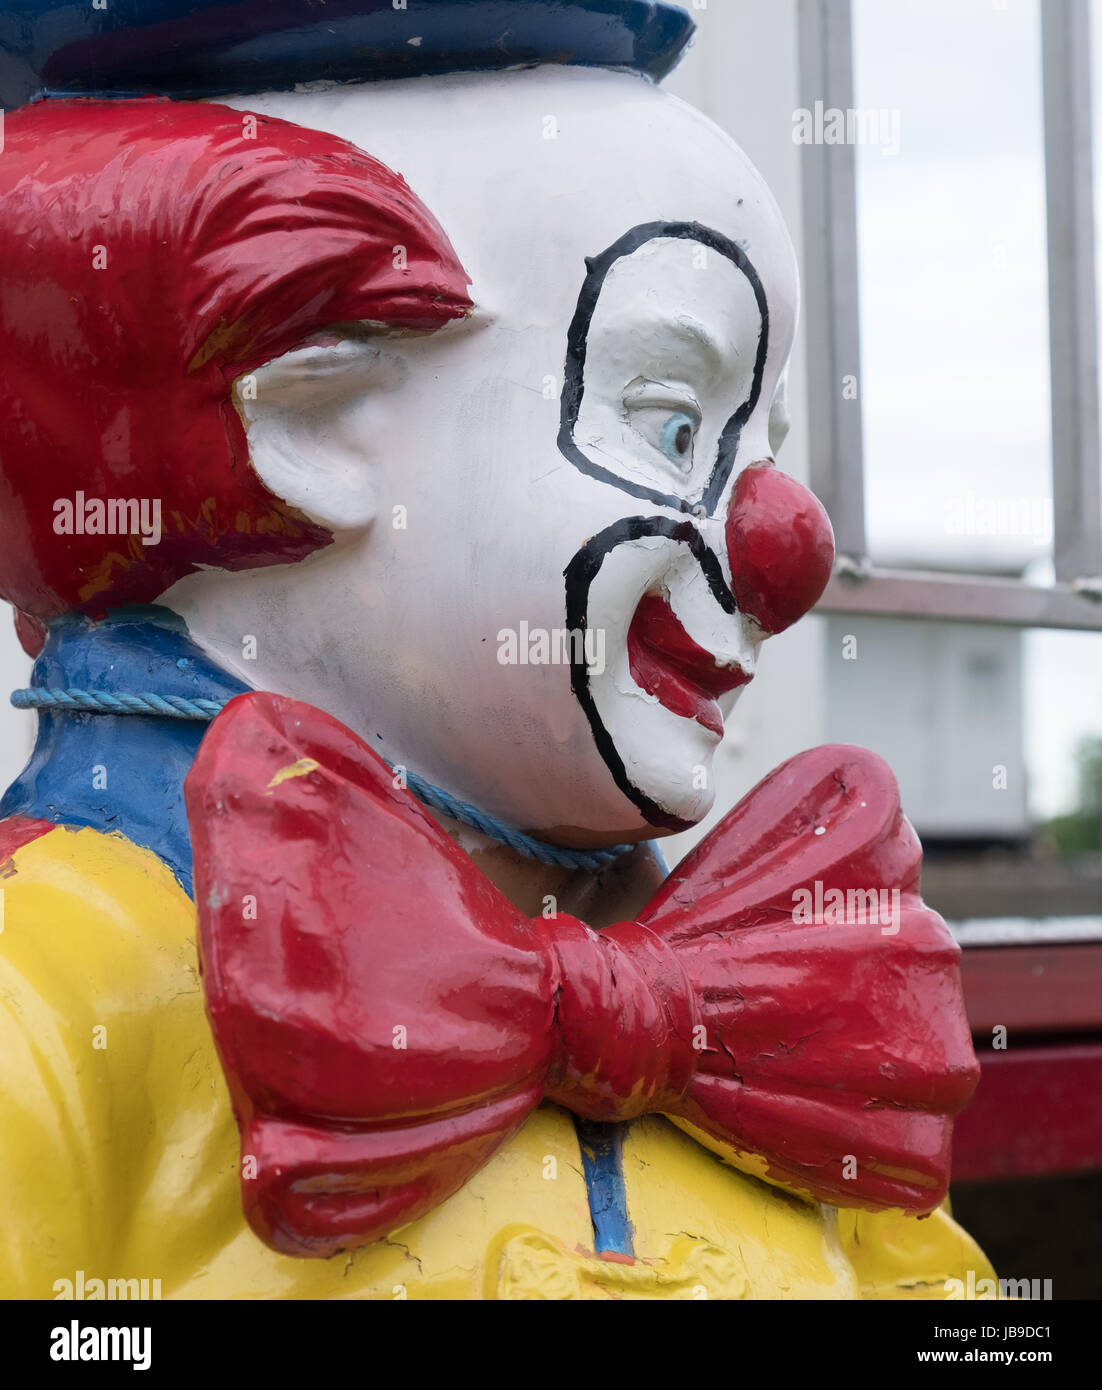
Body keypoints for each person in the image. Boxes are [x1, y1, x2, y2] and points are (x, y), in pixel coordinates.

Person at [0, 0, 992, 1299]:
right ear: (306, 410)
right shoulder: (45, 996)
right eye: (670, 422)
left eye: (764, 443)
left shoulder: (780, 1026)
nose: (783, 545)